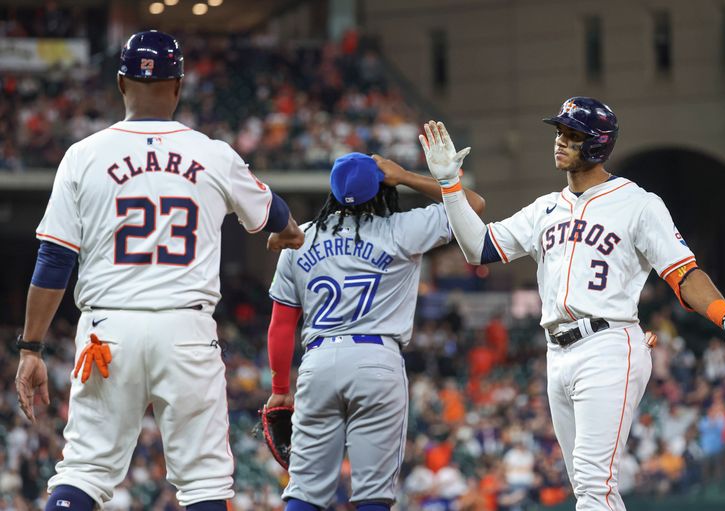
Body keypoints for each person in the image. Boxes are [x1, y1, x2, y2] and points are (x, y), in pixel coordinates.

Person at [419, 98, 725, 510]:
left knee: (592, 482)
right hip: (557, 352)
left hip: (608, 344)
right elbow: (478, 248)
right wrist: (449, 187)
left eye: (572, 135)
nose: (560, 141)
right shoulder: (545, 208)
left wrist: (723, 315)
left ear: (598, 144)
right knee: (590, 489)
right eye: (559, 133)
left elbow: (684, 272)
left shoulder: (637, 203)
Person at [13, 30, 304, 511]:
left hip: (108, 332)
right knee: (205, 482)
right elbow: (275, 214)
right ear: (179, 85)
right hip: (186, 331)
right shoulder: (213, 153)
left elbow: (55, 259)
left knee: (84, 471)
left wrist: (31, 346)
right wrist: (290, 233)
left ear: (122, 83)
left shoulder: (83, 155)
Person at [265, 151, 485, 510]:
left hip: (318, 361)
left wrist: (279, 390)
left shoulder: (299, 237)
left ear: (332, 191)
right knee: (373, 495)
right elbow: (472, 204)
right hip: (376, 360)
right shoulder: (401, 228)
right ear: (381, 187)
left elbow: (281, 324)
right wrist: (406, 177)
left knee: (304, 491)